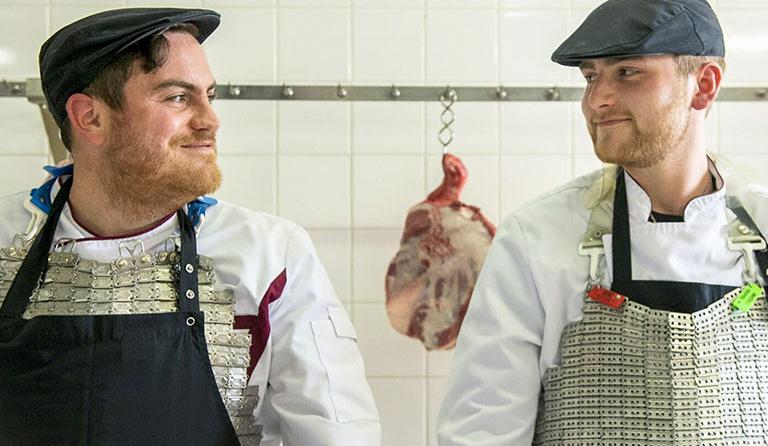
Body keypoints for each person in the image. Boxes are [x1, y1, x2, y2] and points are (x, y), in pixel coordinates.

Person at [0, 8, 380, 446]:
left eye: (209, 96)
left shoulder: (270, 255)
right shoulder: (9, 240)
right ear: (90, 117)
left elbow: (336, 436)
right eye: (178, 97)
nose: (210, 120)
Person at [438, 0, 768, 444]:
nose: (597, 99)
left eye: (627, 73)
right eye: (591, 76)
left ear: (703, 86)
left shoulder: (763, 224)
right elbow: (483, 433)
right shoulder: (537, 239)